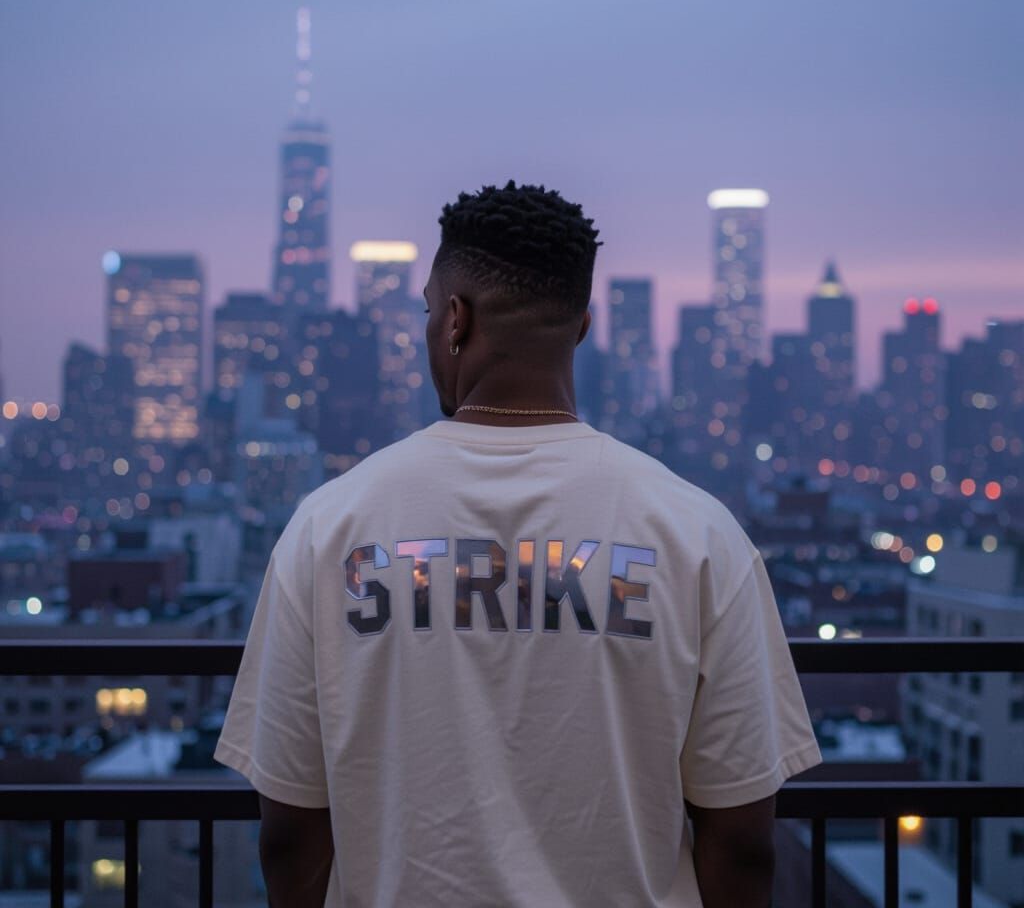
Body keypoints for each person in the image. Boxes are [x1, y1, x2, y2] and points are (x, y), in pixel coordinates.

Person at [215, 181, 821, 907]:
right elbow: (744, 841)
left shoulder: (328, 527)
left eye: (428, 311)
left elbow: (289, 834)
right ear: (583, 326)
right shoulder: (700, 534)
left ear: (455, 320)